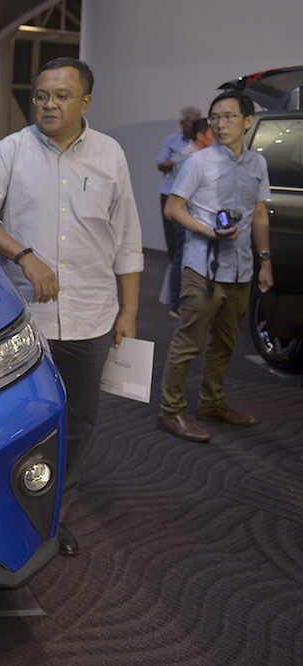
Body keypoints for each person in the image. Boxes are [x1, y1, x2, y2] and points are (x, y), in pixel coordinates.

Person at [0, 57, 143, 557]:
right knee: (16, 420)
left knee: (79, 421)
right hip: (24, 320)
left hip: (93, 314)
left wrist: (128, 312)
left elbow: (127, 239)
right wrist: (24, 255)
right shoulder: (11, 150)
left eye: (61, 95)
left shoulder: (110, 154)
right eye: (41, 95)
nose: (49, 103)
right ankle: (7, 507)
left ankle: (55, 516)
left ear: (85, 100)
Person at [157, 90, 273, 443]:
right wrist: (209, 231)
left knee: (226, 342)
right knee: (188, 342)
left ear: (248, 121)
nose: (220, 124)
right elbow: (173, 209)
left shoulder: (257, 164)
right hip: (202, 267)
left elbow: (258, 214)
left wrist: (265, 262)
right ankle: (171, 410)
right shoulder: (198, 162)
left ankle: (211, 402)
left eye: (229, 117)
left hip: (241, 268)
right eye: (215, 118)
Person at [166, 118, 214, 317]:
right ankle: (177, 303)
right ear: (201, 135)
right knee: (180, 258)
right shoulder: (188, 156)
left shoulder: (199, 154)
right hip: (184, 212)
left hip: (192, 212)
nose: (216, 137)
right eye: (212, 134)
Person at [157, 107, 201, 277]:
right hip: (169, 193)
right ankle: (175, 275)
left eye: (198, 120)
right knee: (173, 239)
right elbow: (160, 164)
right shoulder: (172, 140)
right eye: (192, 121)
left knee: (188, 238)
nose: (195, 124)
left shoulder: (202, 141)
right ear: (183, 123)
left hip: (191, 196)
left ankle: (186, 273)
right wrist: (180, 160)